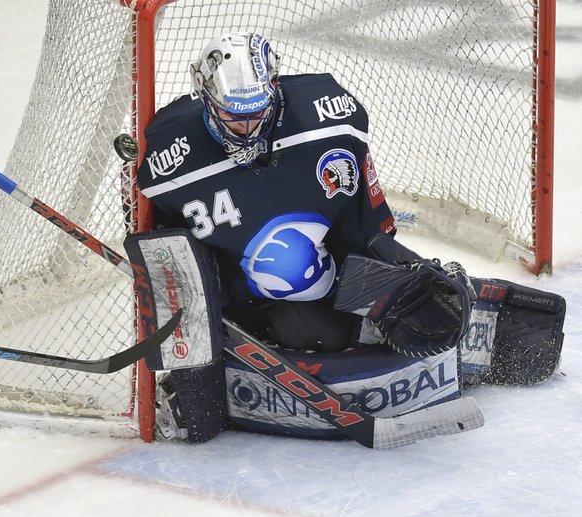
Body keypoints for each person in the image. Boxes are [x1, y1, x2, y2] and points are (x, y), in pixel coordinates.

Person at [130, 32, 565, 442]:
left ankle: (379, 321)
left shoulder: (330, 120)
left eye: (258, 113)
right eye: (233, 116)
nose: (248, 128)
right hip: (244, 298)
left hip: (333, 266)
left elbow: (362, 224)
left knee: (425, 299)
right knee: (311, 302)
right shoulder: (170, 158)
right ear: (204, 97)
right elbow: (168, 252)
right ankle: (356, 331)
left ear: (276, 91)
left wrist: (402, 264)